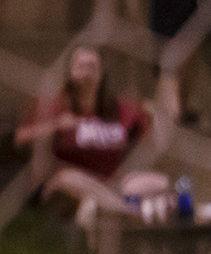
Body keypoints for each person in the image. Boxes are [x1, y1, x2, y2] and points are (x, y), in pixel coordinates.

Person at [14, 46, 167, 238]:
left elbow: (154, 140)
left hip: (112, 184)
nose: (86, 73)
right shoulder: (55, 104)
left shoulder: (118, 109)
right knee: (69, 178)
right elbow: (19, 137)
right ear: (69, 72)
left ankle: (113, 209)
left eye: (92, 67)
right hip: (67, 186)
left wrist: (154, 113)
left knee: (159, 182)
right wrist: (54, 125)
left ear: (101, 74)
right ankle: (130, 213)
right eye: (81, 67)